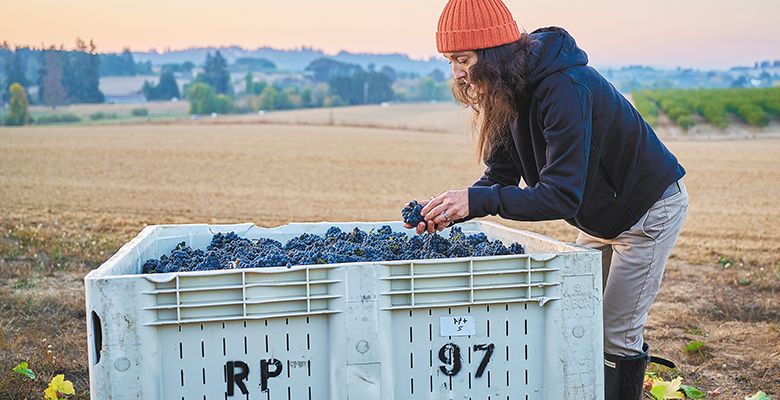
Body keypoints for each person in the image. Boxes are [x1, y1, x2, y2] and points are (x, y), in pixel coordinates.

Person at [403, 0, 689, 398]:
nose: (457, 73)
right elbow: (501, 177)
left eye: (463, 59)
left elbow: (558, 198)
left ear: (492, 52)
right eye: (450, 61)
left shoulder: (564, 88)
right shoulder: (506, 90)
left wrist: (478, 202)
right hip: (597, 217)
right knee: (577, 318)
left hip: (646, 214)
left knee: (614, 335)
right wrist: (453, 210)